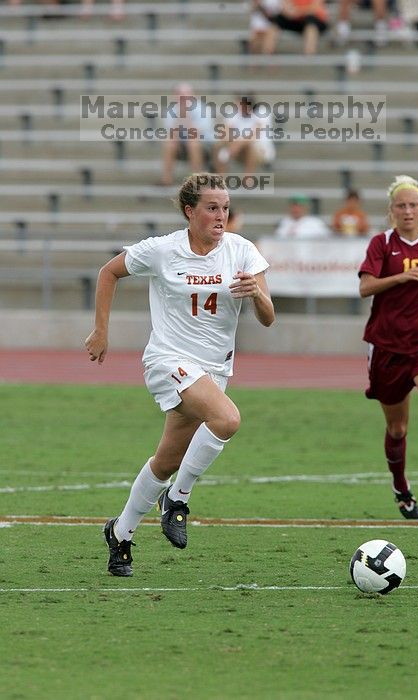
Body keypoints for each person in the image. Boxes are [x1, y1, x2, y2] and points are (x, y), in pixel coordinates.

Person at [85, 173, 275, 576]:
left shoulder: (242, 252)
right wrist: (101, 329)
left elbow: (268, 317)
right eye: (211, 207)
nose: (221, 215)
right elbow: (108, 272)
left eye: (225, 208)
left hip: (213, 369)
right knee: (227, 419)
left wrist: (256, 293)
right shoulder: (162, 250)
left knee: (166, 461)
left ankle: (120, 534)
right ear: (190, 211)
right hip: (168, 360)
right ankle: (178, 500)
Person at [358, 174, 418, 520]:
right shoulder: (382, 244)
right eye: (401, 205)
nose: (408, 210)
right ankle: (401, 486)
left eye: (413, 204)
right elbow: (365, 288)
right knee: (398, 428)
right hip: (386, 344)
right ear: (392, 211)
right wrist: (403, 276)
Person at [160, 83, 213, 187]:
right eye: (180, 95)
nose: (183, 98)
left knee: (193, 142)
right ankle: (167, 179)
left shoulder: (202, 109)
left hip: (204, 146)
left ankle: (197, 179)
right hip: (182, 145)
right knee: (170, 143)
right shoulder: (171, 110)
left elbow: (196, 133)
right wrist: (180, 115)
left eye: (185, 95)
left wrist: (186, 116)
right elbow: (172, 134)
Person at [254, 0, 330, 55]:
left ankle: (309, 57)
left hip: (314, 19)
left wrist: (297, 12)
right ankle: (267, 55)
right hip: (295, 18)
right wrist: (293, 12)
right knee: (275, 24)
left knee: (311, 26)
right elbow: (285, 7)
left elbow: (315, 7)